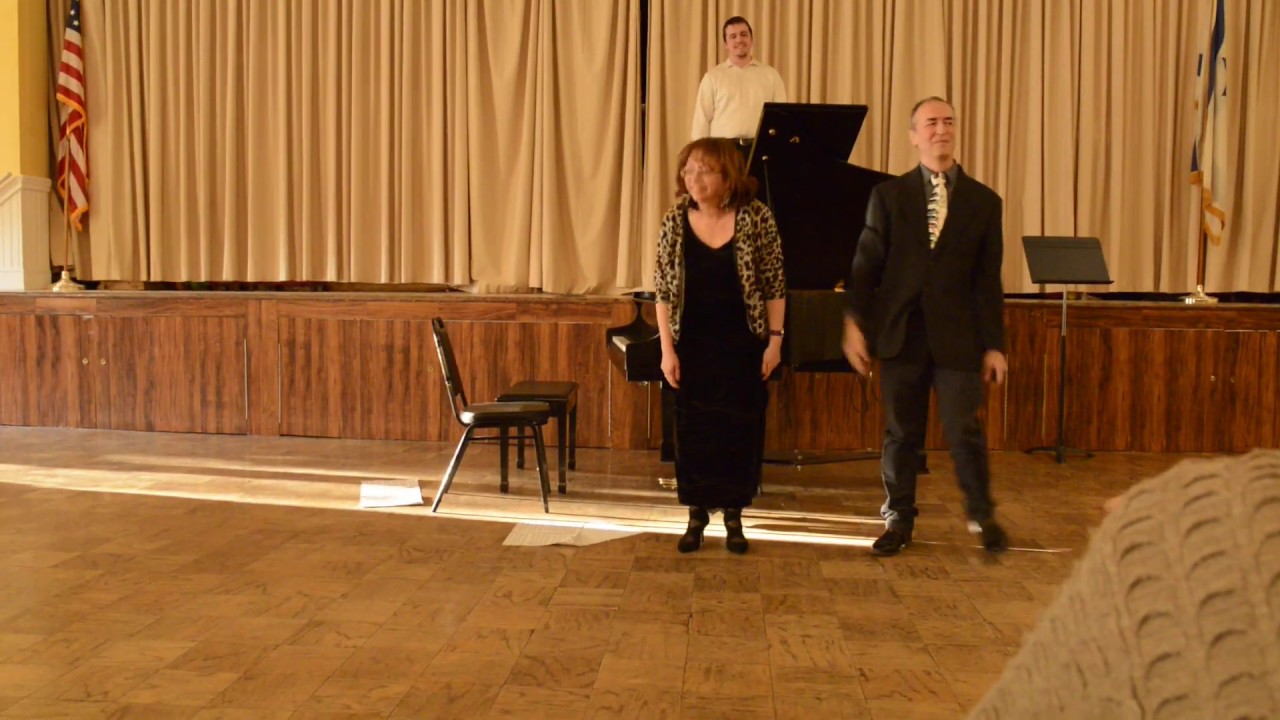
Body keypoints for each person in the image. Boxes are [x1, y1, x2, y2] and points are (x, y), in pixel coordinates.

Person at [841, 96, 1010, 556]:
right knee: (901, 433)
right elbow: (865, 267)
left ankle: (982, 515)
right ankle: (898, 520)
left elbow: (987, 281)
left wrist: (994, 345)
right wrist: (854, 323)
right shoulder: (888, 197)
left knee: (963, 429)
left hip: (959, 338)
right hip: (902, 335)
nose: (941, 129)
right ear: (914, 136)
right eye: (931, 122)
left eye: (948, 121)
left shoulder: (984, 202)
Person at [654, 137, 786, 555]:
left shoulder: (756, 216)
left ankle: (734, 517)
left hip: (743, 344)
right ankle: (696, 516)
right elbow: (662, 291)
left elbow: (774, 284)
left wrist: (775, 342)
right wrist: (666, 350)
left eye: (705, 170)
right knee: (692, 431)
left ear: (728, 177)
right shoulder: (675, 220)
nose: (694, 178)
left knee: (740, 430)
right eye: (689, 169)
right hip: (691, 344)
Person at [690, 16, 787, 162]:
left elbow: (780, 118)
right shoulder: (712, 77)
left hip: (760, 150)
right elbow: (701, 120)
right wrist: (700, 156)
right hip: (723, 152)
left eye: (743, 34)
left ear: (751, 39)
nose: (739, 40)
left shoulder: (771, 75)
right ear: (726, 44)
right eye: (733, 36)